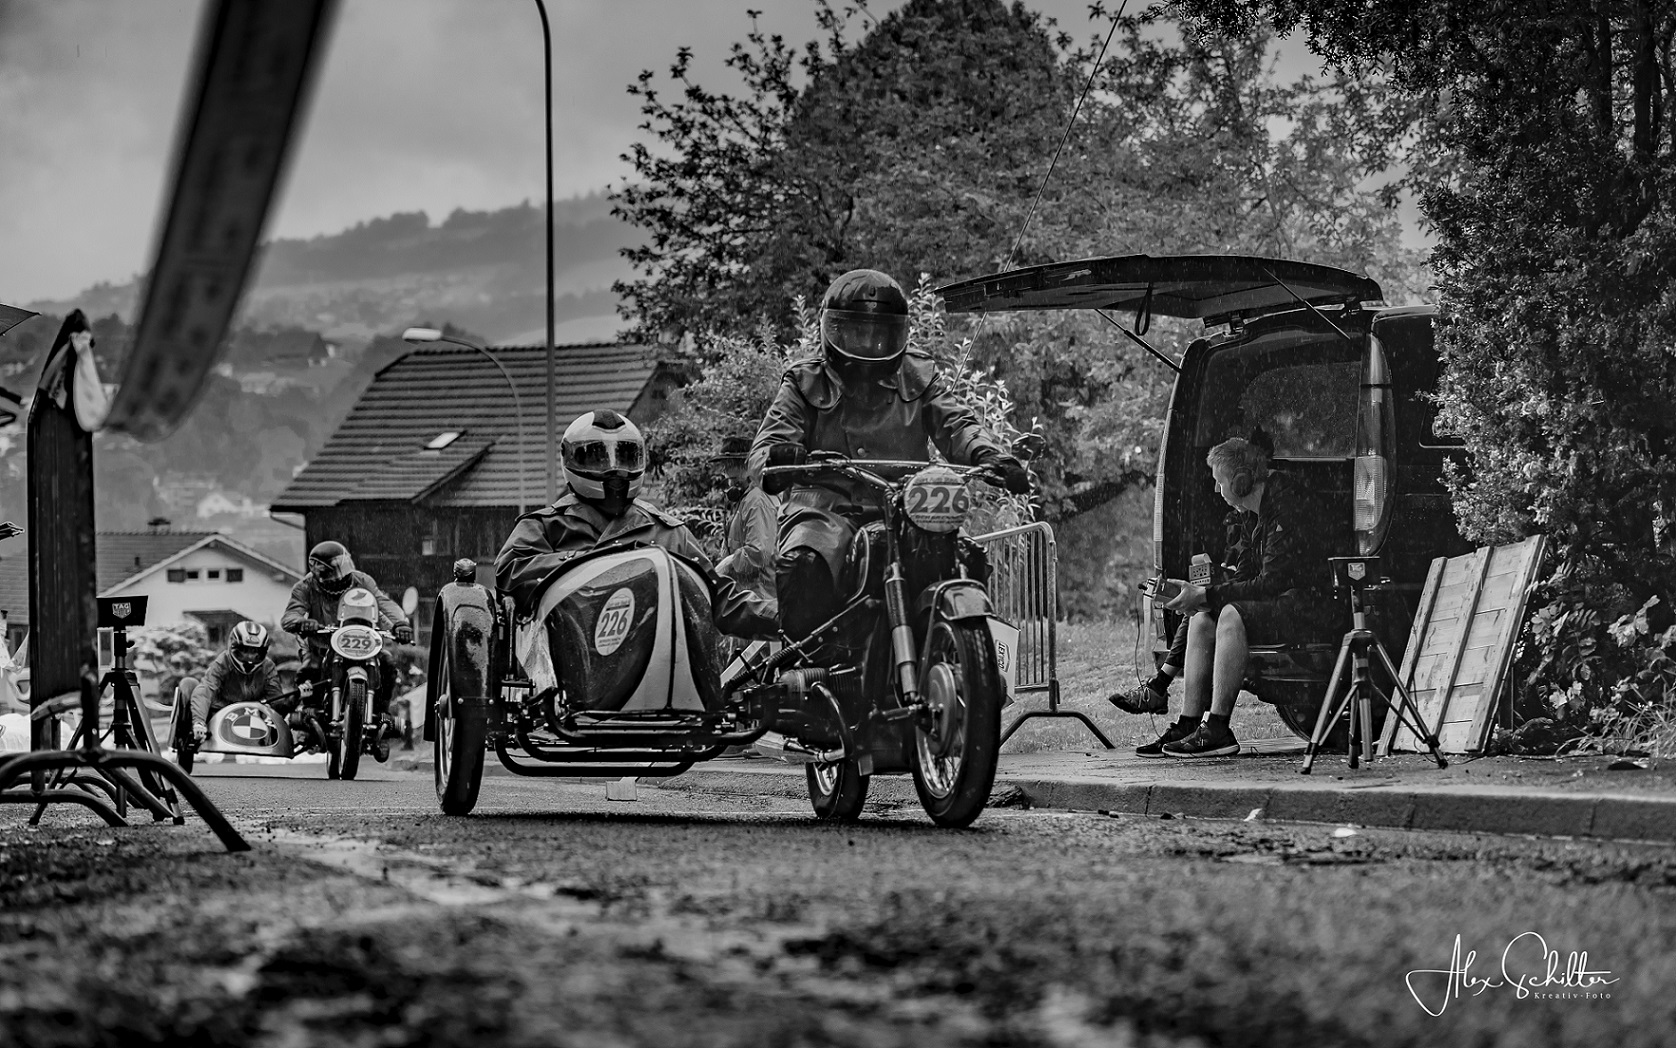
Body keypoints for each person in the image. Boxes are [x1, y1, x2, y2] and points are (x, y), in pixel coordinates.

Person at [750, 268, 1031, 639]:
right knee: (806, 560)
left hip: (907, 506)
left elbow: (956, 423)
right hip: (827, 508)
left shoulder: (918, 374)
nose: (868, 342)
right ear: (832, 331)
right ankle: (810, 662)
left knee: (965, 557)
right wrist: (778, 459)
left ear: (897, 333)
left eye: (878, 333)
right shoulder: (805, 382)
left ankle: (960, 647)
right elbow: (766, 445)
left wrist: (988, 455)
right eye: (857, 331)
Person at [495, 409, 778, 636]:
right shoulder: (544, 527)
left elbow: (720, 601)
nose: (614, 468)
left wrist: (786, 618)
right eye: (597, 458)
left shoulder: (670, 533)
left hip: (660, 676)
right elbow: (510, 575)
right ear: (571, 460)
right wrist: (591, 563)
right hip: (565, 684)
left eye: (626, 456)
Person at [1147, 436, 1347, 757]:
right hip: (1284, 600)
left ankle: (1218, 728)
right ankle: (1189, 722)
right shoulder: (1250, 514)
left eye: (1219, 482)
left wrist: (1211, 595)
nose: (1216, 490)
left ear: (1240, 482)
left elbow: (1271, 582)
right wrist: (1199, 596)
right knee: (1203, 617)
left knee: (1230, 614)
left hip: (1314, 605)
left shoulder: (1286, 503)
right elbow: (1244, 578)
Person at [281, 539, 413, 762]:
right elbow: (290, 615)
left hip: (362, 642)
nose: (340, 576)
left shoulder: (362, 580)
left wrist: (399, 624)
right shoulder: (305, 587)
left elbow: (382, 603)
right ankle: (309, 716)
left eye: (342, 567)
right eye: (333, 571)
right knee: (309, 670)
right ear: (318, 571)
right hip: (321, 645)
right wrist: (302, 623)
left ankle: (381, 715)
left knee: (388, 664)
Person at [180, 621, 285, 741]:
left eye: (255, 652)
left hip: (254, 714)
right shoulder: (222, 662)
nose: (250, 657)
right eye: (245, 650)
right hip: (219, 712)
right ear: (234, 647)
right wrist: (199, 722)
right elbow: (205, 690)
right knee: (188, 684)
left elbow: (277, 699)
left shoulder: (268, 666)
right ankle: (195, 732)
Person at [712, 435, 779, 604]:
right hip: (745, 599)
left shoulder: (756, 500)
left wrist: (728, 563)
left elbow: (759, 552)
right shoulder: (745, 499)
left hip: (760, 602)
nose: (727, 471)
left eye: (733, 466)